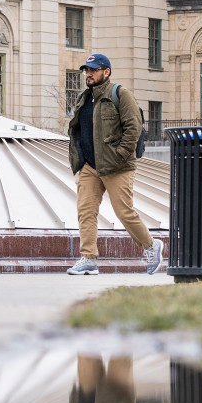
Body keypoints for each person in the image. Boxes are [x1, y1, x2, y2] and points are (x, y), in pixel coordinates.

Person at [66, 53, 163, 275]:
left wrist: (120, 155)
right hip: (90, 166)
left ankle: (151, 246)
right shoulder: (84, 98)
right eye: (86, 70)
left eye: (92, 70)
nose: (88, 74)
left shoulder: (120, 94)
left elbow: (133, 128)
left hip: (117, 165)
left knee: (124, 212)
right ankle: (88, 258)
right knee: (86, 211)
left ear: (106, 72)